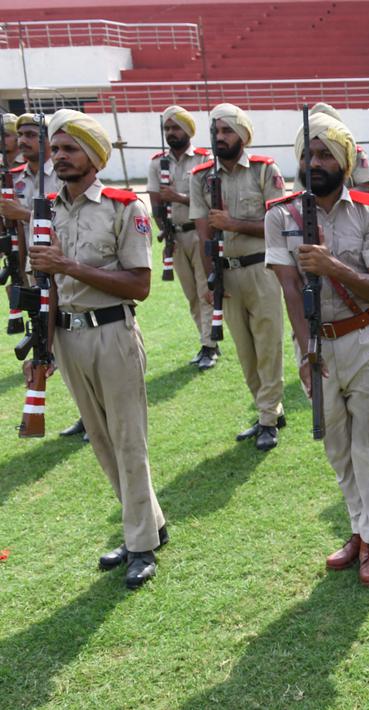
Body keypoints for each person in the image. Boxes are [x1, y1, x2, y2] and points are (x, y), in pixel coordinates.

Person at [29, 110, 166, 589]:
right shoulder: (46, 211)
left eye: (70, 148)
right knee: (103, 442)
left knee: (128, 440)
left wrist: (68, 265)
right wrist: (42, 350)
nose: (59, 157)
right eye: (55, 149)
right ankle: (147, 526)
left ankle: (141, 545)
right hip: (67, 338)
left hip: (112, 334)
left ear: (94, 155)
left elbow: (139, 284)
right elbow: (44, 286)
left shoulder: (124, 207)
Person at [266, 113, 369, 585]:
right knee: (338, 447)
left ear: (344, 161)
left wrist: (331, 265)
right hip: (317, 346)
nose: (314, 163)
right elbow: (289, 289)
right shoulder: (279, 216)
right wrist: (306, 353)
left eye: (324, 154)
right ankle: (360, 529)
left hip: (363, 339)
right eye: (308, 154)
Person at [189, 103, 286, 451]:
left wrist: (234, 224)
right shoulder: (200, 177)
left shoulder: (264, 170)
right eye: (216, 131)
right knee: (246, 352)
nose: (220, 137)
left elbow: (279, 224)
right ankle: (268, 410)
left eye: (227, 131)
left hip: (262, 270)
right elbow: (203, 234)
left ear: (243, 135)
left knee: (267, 347)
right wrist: (209, 280)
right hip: (226, 275)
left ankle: (267, 419)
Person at [3, 113, 84, 440]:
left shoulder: (65, 172)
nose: (23, 140)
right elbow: (18, 231)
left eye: (31, 134)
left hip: (65, 266)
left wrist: (21, 213)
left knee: (78, 341)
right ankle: (85, 412)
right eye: (20, 134)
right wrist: (19, 272)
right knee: (51, 344)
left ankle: (95, 413)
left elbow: (67, 218)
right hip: (33, 269)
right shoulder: (17, 178)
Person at [148, 106, 216, 369]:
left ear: (188, 130)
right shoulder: (157, 163)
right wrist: (165, 232)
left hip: (199, 233)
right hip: (175, 237)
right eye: (167, 128)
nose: (171, 132)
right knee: (191, 295)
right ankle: (207, 340)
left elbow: (210, 200)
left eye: (176, 127)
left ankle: (209, 345)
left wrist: (178, 197)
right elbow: (156, 204)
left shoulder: (203, 159)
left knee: (205, 290)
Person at [308, 103, 369, 191]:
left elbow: (364, 187)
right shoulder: (306, 157)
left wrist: (334, 197)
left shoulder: (354, 153)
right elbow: (298, 192)